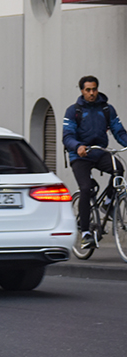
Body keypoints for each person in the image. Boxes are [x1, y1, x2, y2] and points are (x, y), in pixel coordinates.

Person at [62, 75, 127, 249]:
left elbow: (119, 131)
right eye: (88, 90)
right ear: (82, 91)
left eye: (94, 89)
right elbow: (67, 136)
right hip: (80, 155)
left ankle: (107, 203)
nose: (92, 93)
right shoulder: (73, 111)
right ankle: (85, 234)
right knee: (86, 188)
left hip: (99, 152)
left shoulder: (107, 109)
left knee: (118, 169)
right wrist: (77, 146)